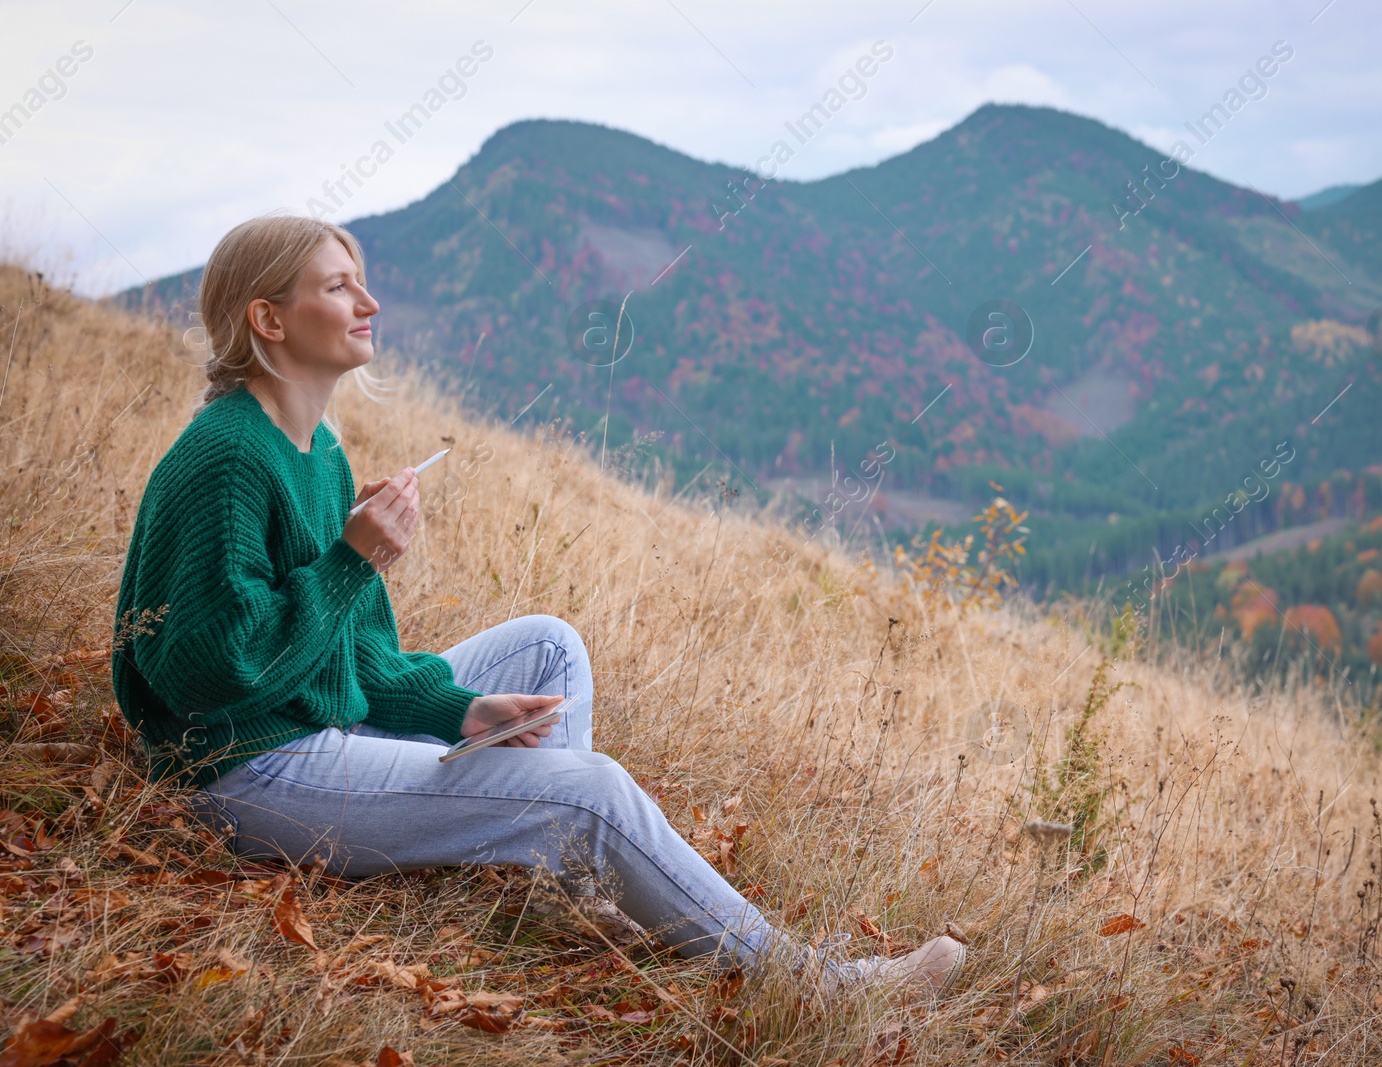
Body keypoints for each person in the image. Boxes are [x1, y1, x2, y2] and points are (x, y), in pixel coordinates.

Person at [109, 213, 964, 995]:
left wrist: (464, 708)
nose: (369, 300)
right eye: (338, 286)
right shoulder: (228, 456)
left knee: (550, 647)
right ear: (269, 319)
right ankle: (811, 981)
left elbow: (357, 659)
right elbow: (205, 674)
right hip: (250, 770)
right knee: (589, 790)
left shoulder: (317, 449)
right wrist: (351, 560)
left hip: (314, 721)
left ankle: (573, 872)